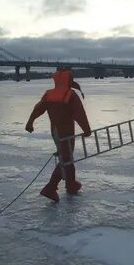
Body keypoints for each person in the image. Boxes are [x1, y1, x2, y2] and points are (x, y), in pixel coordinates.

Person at [25, 69, 91, 202]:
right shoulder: (70, 95)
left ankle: (70, 183)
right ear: (69, 80)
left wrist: (30, 122)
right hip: (66, 131)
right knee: (66, 158)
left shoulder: (49, 94)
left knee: (67, 157)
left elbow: (38, 108)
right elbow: (79, 114)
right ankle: (51, 187)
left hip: (55, 131)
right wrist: (86, 129)